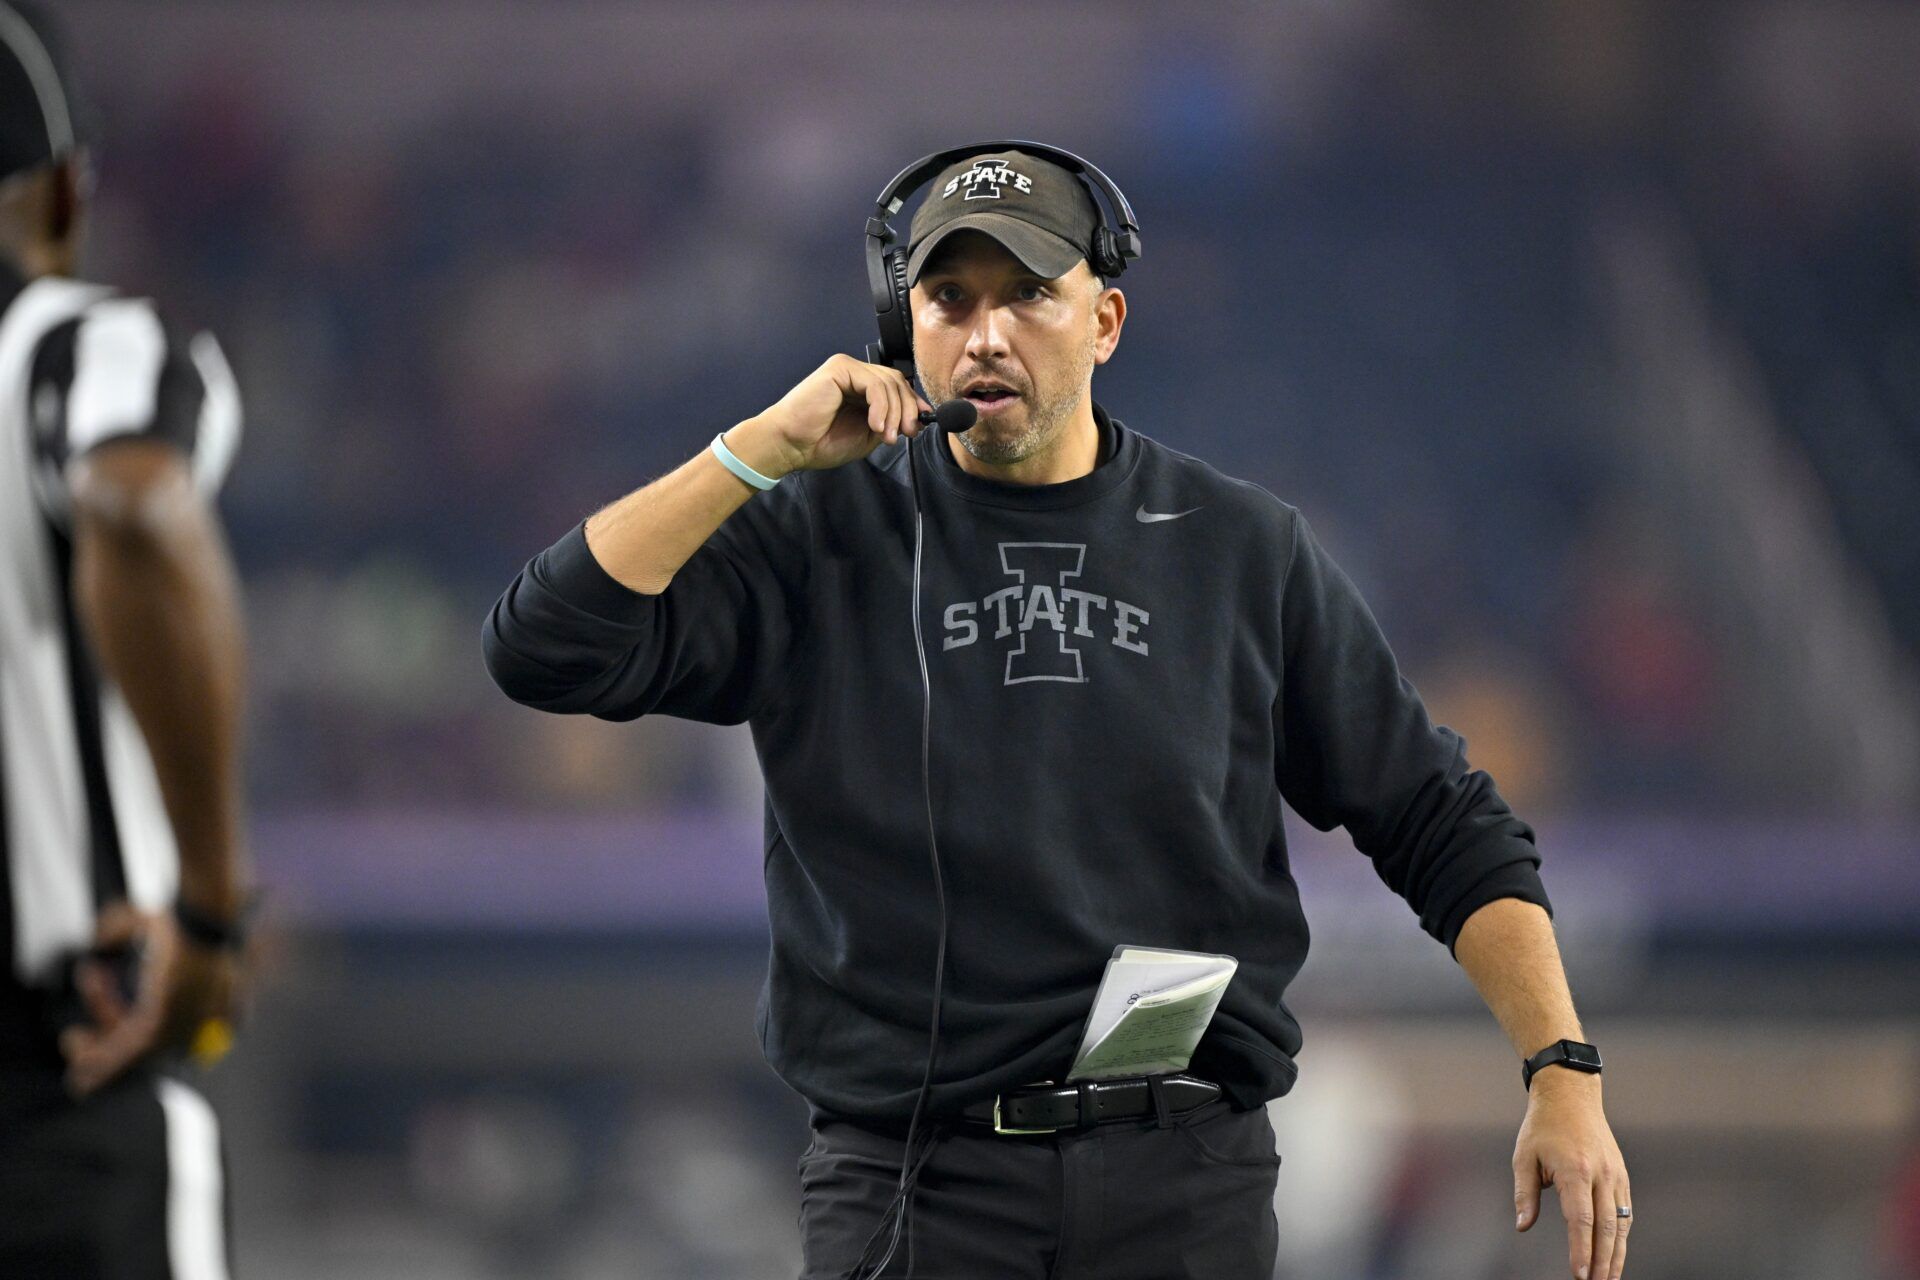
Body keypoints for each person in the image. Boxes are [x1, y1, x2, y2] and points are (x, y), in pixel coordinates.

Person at [483, 144, 1632, 1280]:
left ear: (1106, 321)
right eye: (949, 298)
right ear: (904, 327)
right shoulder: (818, 536)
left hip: (1183, 1171)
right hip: (915, 1185)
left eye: (1030, 293)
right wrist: (753, 454)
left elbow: (1439, 816)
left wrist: (1563, 1069)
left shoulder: (1240, 548)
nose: (988, 333)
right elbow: (543, 646)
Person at [0, 3, 250, 1276]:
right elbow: (140, 502)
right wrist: (208, 910)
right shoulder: (77, 346)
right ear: (63, 182)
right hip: (55, 1078)